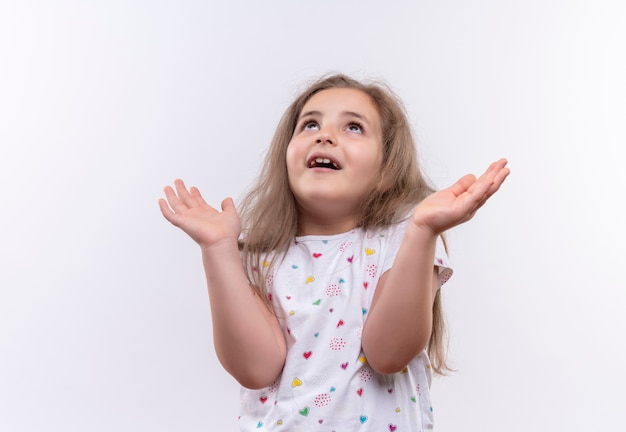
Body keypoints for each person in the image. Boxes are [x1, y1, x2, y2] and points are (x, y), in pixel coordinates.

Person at [159, 73, 509, 431]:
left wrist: (422, 231)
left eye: (354, 127)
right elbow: (256, 368)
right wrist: (218, 249)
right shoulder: (261, 253)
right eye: (310, 124)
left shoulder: (403, 239)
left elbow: (388, 353)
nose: (324, 135)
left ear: (387, 169)